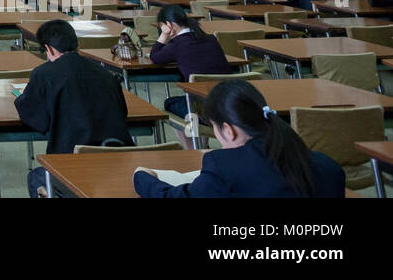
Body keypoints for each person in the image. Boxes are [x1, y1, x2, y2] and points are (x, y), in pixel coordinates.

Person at [133, 79, 345, 198]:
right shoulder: (328, 166)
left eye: (214, 128)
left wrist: (142, 177)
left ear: (228, 130)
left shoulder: (223, 167)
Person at [17, 19, 134, 197]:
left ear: (48, 49)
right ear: (77, 44)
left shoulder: (43, 73)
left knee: (35, 178)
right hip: (119, 165)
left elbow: (37, 119)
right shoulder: (106, 74)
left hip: (73, 168)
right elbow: (122, 113)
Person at [147, 5, 231, 119]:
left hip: (203, 109)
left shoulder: (177, 44)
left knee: (170, 104)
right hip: (229, 103)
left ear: (169, 25)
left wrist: (164, 35)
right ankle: (199, 135)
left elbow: (155, 57)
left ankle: (195, 136)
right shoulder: (211, 39)